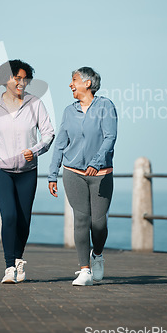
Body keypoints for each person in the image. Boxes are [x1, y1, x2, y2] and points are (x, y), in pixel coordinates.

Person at [0, 59, 54, 284]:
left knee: (24, 220)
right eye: (16, 78)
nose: (21, 82)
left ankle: (18, 259)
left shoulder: (35, 104)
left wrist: (36, 150)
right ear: (5, 80)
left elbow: (48, 134)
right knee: (9, 215)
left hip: (27, 170)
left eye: (25, 78)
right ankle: (10, 267)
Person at [48, 67, 117, 286]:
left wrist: (96, 162)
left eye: (74, 80)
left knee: (98, 224)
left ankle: (97, 255)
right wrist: (52, 174)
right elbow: (60, 144)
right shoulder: (69, 111)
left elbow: (110, 137)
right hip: (73, 172)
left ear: (87, 83)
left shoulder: (106, 106)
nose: (70, 84)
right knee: (80, 219)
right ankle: (84, 270)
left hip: (101, 174)